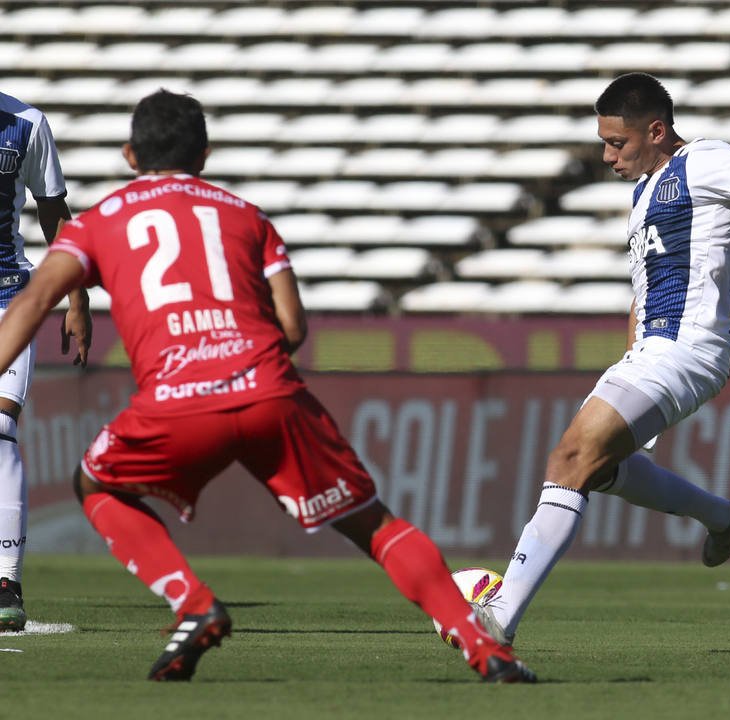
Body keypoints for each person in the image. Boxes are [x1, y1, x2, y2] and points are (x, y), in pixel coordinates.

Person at [0, 90, 534, 682]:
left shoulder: (101, 225)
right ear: (204, 154)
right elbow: (294, 326)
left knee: (97, 485)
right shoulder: (246, 216)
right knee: (377, 527)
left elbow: (30, 304)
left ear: (130, 155)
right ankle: (488, 651)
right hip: (269, 392)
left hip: (175, 403)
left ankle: (193, 603)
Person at [477, 72, 730, 644]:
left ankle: (498, 618)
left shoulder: (704, 161)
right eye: (604, 143)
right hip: (653, 350)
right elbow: (646, 288)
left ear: (657, 130)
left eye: (618, 143)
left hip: (688, 347)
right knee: (604, 468)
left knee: (569, 460)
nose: (608, 156)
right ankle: (722, 517)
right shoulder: (644, 194)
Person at [0, 90, 92, 632]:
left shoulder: (26, 124)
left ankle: (5, 581)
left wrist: (77, 298)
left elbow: (56, 213)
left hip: (9, 298)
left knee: (0, 427)